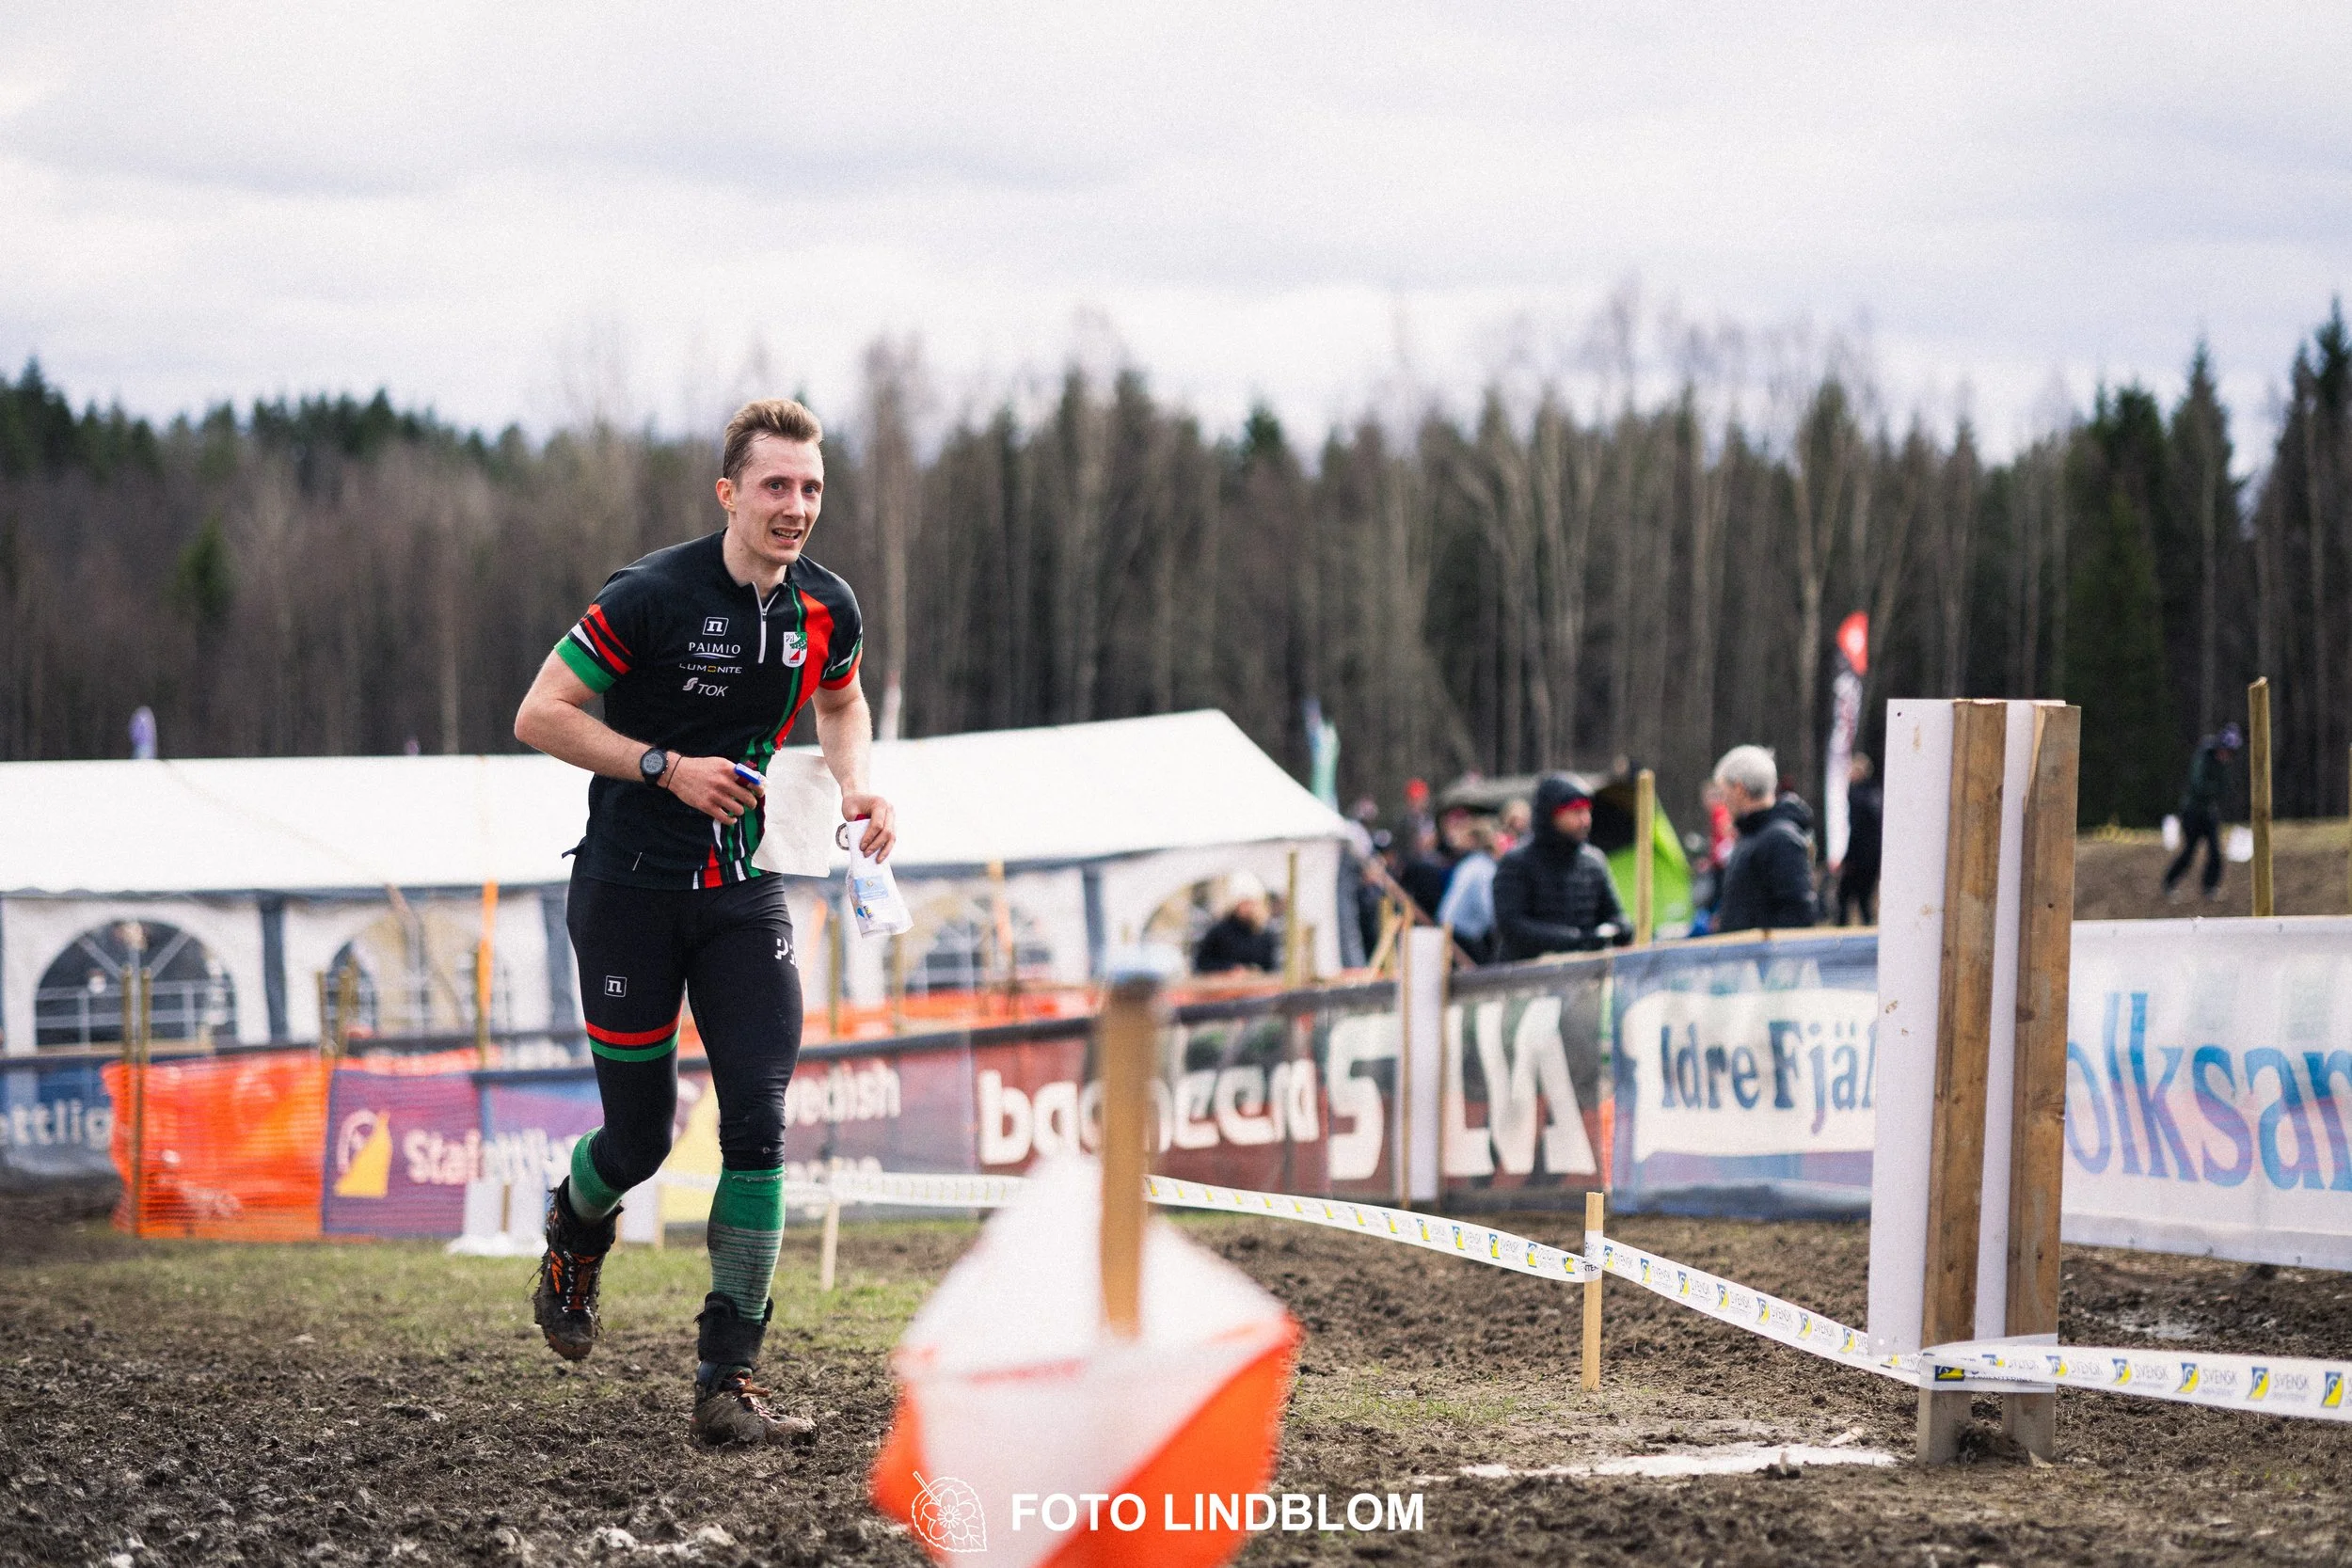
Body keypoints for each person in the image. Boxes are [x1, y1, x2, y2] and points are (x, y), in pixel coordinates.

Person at [512, 398, 897, 1447]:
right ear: (729, 492)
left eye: (811, 487)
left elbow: (843, 701)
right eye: (776, 485)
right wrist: (661, 767)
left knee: (759, 1120)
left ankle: (730, 1376)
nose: (796, 506)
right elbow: (539, 711)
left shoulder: (826, 606)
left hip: (742, 890)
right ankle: (573, 1230)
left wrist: (857, 782)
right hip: (628, 891)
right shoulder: (652, 593)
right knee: (638, 1137)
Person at [1491, 774, 1629, 961]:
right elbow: (1512, 926)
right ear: (1551, 815)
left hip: (1583, 971)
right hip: (1527, 975)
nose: (1585, 820)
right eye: (1575, 812)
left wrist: (1616, 931)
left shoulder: (1593, 862)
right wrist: (1574, 940)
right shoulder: (1516, 863)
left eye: (1587, 811)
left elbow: (1614, 915)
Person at [1710, 745, 1817, 934]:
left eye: (1723, 792)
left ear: (1739, 789)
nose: (1723, 801)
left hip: (1763, 961)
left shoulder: (1780, 840)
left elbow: (1798, 915)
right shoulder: (1751, 837)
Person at [2164, 724, 2241, 900]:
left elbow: (2225, 788)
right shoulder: (2204, 756)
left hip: (2208, 812)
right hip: (2192, 811)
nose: (2226, 756)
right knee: (2190, 850)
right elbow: (2199, 784)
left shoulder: (2223, 766)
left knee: (2215, 850)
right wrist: (2215, 790)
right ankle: (2169, 882)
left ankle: (2210, 886)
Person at [1436, 817, 1501, 962]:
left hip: (1448, 927)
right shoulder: (1484, 867)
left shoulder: (1469, 863)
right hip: (1461, 932)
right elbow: (1487, 908)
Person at [1195, 873, 1279, 974]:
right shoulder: (1218, 932)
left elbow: (1271, 968)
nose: (1248, 908)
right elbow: (1202, 963)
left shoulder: (1265, 935)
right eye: (1244, 903)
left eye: (1251, 903)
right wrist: (1229, 969)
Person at [1836, 754, 1883, 926]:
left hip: (1859, 856)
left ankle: (1840, 936)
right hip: (1873, 855)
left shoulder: (1857, 796)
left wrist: (1848, 858)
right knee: (1864, 899)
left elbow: (1857, 830)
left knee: (1844, 896)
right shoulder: (1876, 793)